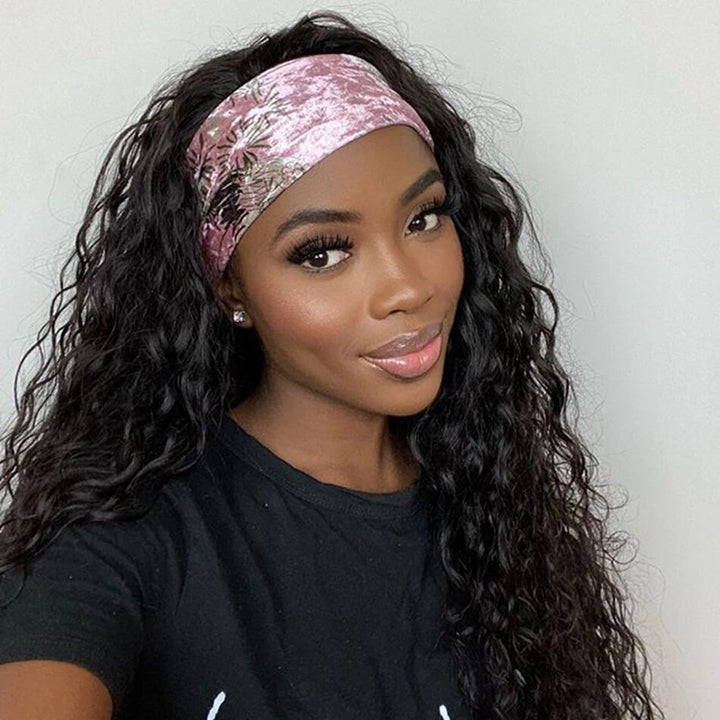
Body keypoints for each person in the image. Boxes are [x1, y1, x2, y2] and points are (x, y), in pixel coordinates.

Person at [0, 11, 662, 720]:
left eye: (423, 218)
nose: (407, 287)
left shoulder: (491, 513)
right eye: (322, 252)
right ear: (230, 289)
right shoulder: (125, 538)